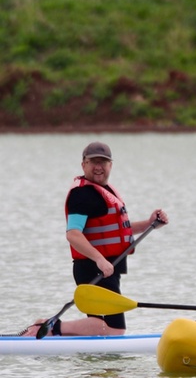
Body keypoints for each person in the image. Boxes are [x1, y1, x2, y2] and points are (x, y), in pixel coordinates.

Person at [23, 142, 169, 337]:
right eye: (93, 162)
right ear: (83, 165)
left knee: (103, 328)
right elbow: (73, 234)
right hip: (93, 268)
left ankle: (51, 330)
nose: (98, 167)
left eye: (103, 162)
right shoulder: (82, 195)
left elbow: (116, 231)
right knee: (113, 329)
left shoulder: (105, 191)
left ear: (111, 165)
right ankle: (50, 328)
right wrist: (99, 259)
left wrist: (150, 223)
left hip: (106, 269)